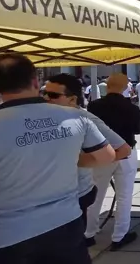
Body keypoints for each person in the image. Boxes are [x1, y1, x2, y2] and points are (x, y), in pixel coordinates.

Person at [0, 54, 116, 264]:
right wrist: (70, 160)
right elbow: (107, 156)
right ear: (36, 81)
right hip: (65, 224)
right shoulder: (75, 116)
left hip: (4, 235)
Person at [43, 74, 131, 226]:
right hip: (49, 194)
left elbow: (124, 149)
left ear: (72, 99)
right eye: (43, 93)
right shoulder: (45, 116)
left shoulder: (84, 118)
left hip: (75, 194)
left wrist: (79, 161)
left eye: (53, 95)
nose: (46, 98)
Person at [85, 74, 140, 251]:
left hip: (102, 153)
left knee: (95, 194)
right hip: (126, 153)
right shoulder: (131, 107)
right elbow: (139, 130)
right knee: (124, 196)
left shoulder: (94, 105)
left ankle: (88, 233)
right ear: (125, 86)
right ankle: (119, 236)